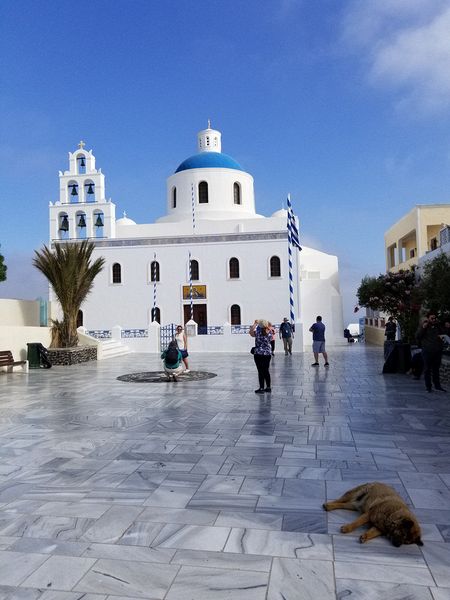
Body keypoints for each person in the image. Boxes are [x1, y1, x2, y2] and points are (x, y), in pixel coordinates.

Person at [416, 313, 446, 393]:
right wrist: (423, 328)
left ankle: (437, 386)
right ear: (428, 318)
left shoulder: (438, 326)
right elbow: (418, 336)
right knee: (427, 369)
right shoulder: (424, 326)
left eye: (435, 318)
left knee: (436, 370)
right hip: (427, 351)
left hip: (437, 351)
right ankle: (428, 387)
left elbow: (443, 333)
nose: (434, 320)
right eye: (432, 318)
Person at [249, 319, 272, 393]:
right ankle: (268, 387)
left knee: (260, 371)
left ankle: (261, 388)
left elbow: (251, 333)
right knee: (266, 371)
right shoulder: (269, 333)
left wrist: (255, 324)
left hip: (258, 354)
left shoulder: (258, 333)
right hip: (267, 354)